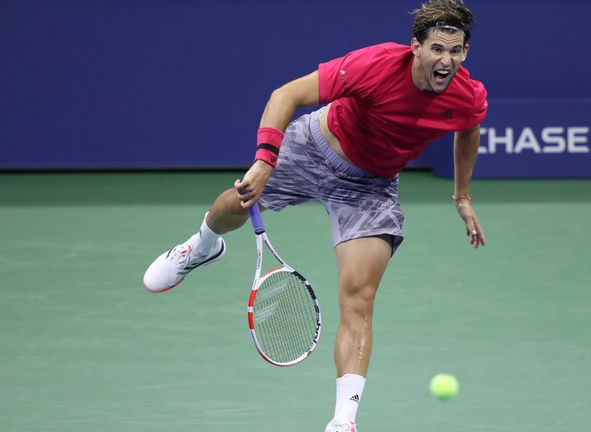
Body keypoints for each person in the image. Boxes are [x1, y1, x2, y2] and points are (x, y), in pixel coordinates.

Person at [143, 0, 487, 430]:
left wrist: (462, 195)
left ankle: (343, 421)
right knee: (234, 204)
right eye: (437, 48)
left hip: (370, 188)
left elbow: (469, 128)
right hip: (313, 148)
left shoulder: (467, 95)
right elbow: (286, 94)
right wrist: (265, 161)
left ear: (465, 53)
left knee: (360, 300)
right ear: (415, 46)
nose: (447, 60)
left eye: (456, 51)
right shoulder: (374, 64)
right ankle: (202, 244)